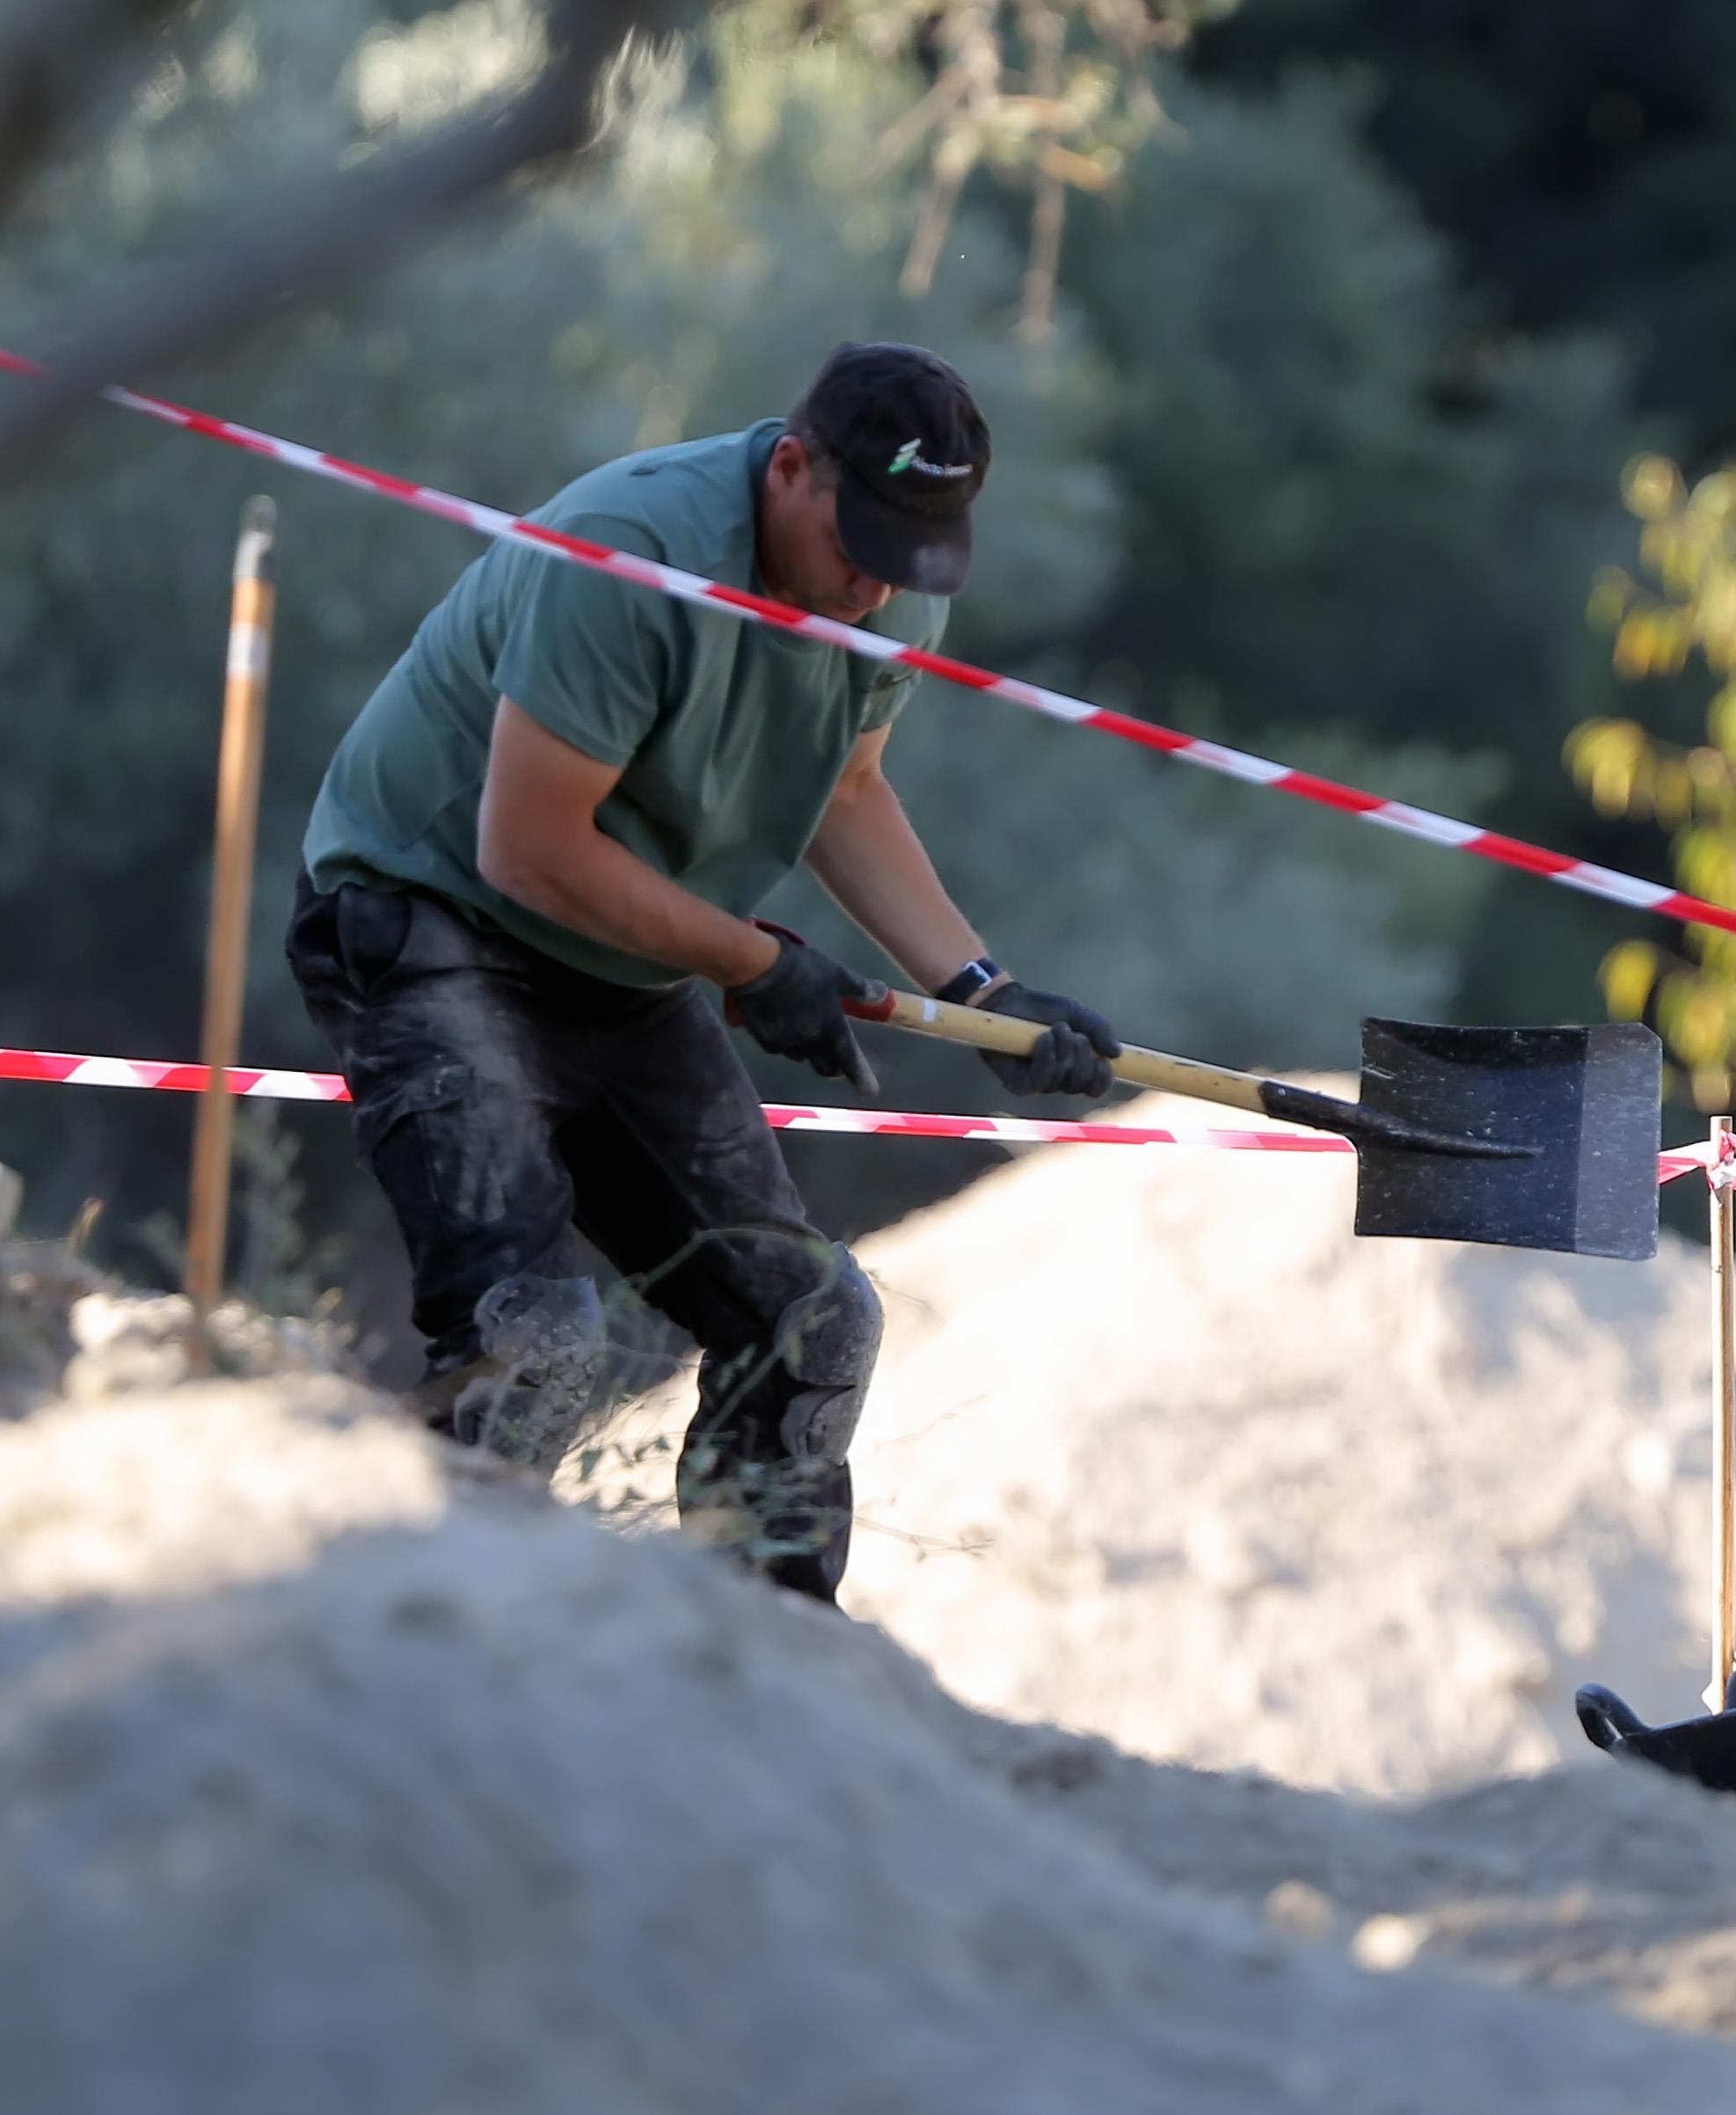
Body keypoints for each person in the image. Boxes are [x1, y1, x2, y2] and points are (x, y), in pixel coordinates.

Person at [288, 341, 1116, 1606]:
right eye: (859, 544)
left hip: (617, 948)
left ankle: (761, 1666)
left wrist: (984, 991)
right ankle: (420, 1636)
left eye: (911, 557)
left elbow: (848, 787)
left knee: (811, 1322)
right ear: (788, 468)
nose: (875, 588)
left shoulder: (886, 591)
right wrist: (758, 964)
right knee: (534, 1339)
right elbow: (527, 849)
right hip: (426, 914)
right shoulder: (628, 554)